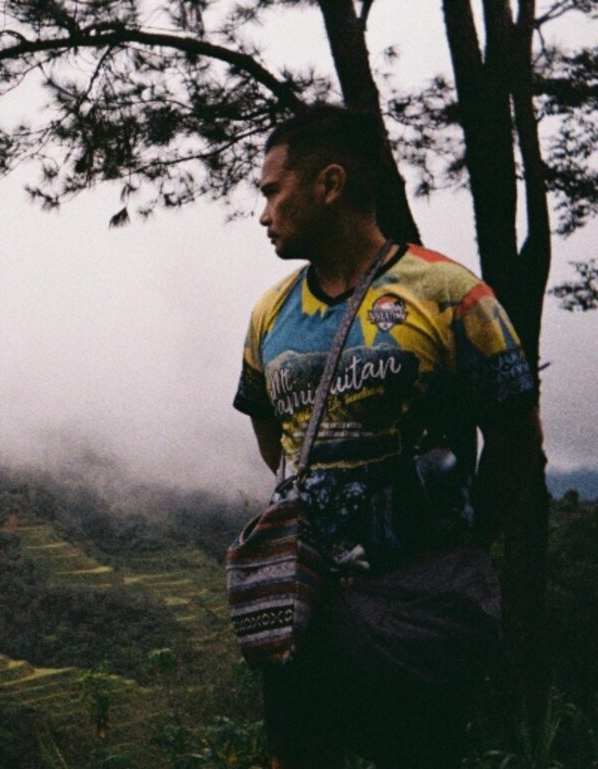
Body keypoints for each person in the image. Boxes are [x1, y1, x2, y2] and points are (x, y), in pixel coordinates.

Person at [232, 104, 544, 769]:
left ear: (330, 183)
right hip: (306, 616)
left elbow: (517, 441)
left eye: (271, 192)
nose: (263, 214)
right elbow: (275, 437)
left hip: (419, 615)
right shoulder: (269, 314)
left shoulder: (452, 294)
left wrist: (462, 543)